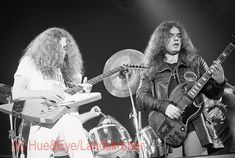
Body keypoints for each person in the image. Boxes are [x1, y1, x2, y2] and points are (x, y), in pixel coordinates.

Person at [136, 21, 226, 157]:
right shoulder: (151, 68)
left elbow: (213, 94)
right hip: (169, 127)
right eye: (170, 36)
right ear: (161, 41)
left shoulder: (196, 62)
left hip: (196, 124)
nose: (176, 38)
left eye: (178, 35)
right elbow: (141, 98)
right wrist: (164, 107)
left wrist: (220, 82)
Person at [12, 27, 95, 158]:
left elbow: (69, 103)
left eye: (66, 48)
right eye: (61, 48)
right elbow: (16, 93)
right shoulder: (29, 62)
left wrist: (81, 94)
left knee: (82, 151)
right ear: (49, 47)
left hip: (67, 117)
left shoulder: (62, 71)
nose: (64, 53)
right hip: (42, 120)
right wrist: (45, 93)